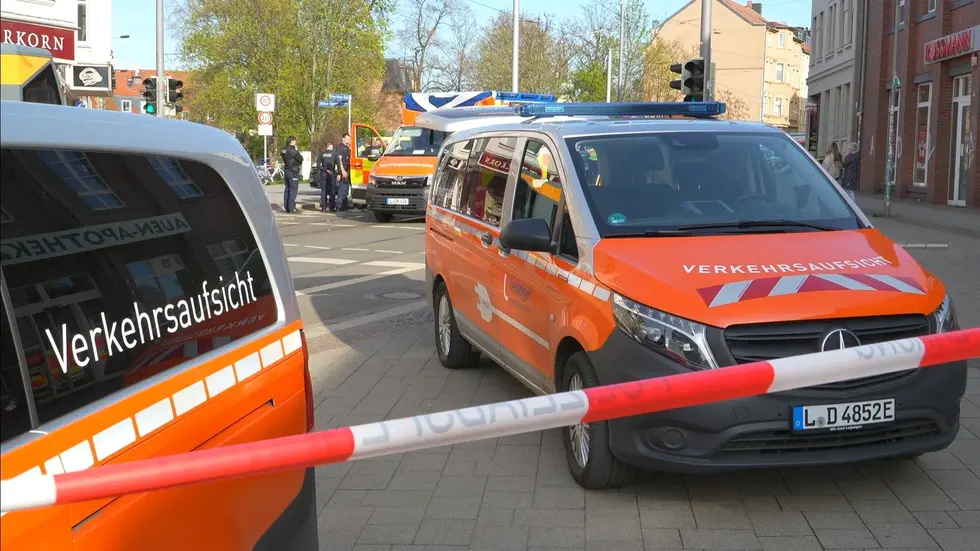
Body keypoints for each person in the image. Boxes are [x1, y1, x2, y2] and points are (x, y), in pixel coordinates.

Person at [280, 136, 303, 213]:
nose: (295, 142)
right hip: (293, 171)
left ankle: (287, 207)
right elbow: (300, 158)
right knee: (293, 190)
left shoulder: (283, 149)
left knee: (287, 189)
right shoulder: (292, 150)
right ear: (292, 141)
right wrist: (296, 150)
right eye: (295, 141)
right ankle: (291, 208)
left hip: (286, 170)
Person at [334, 133, 352, 211]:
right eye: (347, 139)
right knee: (342, 189)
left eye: (349, 139)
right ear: (343, 139)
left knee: (346, 190)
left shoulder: (347, 147)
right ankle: (339, 206)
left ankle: (344, 206)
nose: (349, 140)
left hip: (348, 170)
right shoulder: (340, 148)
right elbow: (339, 160)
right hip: (343, 170)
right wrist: (342, 171)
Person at [318, 143, 336, 212]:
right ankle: (331, 208)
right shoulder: (334, 154)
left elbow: (318, 165)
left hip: (323, 174)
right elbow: (338, 163)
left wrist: (325, 170)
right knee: (332, 191)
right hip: (331, 174)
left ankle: (324, 208)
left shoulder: (321, 154)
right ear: (330, 146)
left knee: (324, 191)